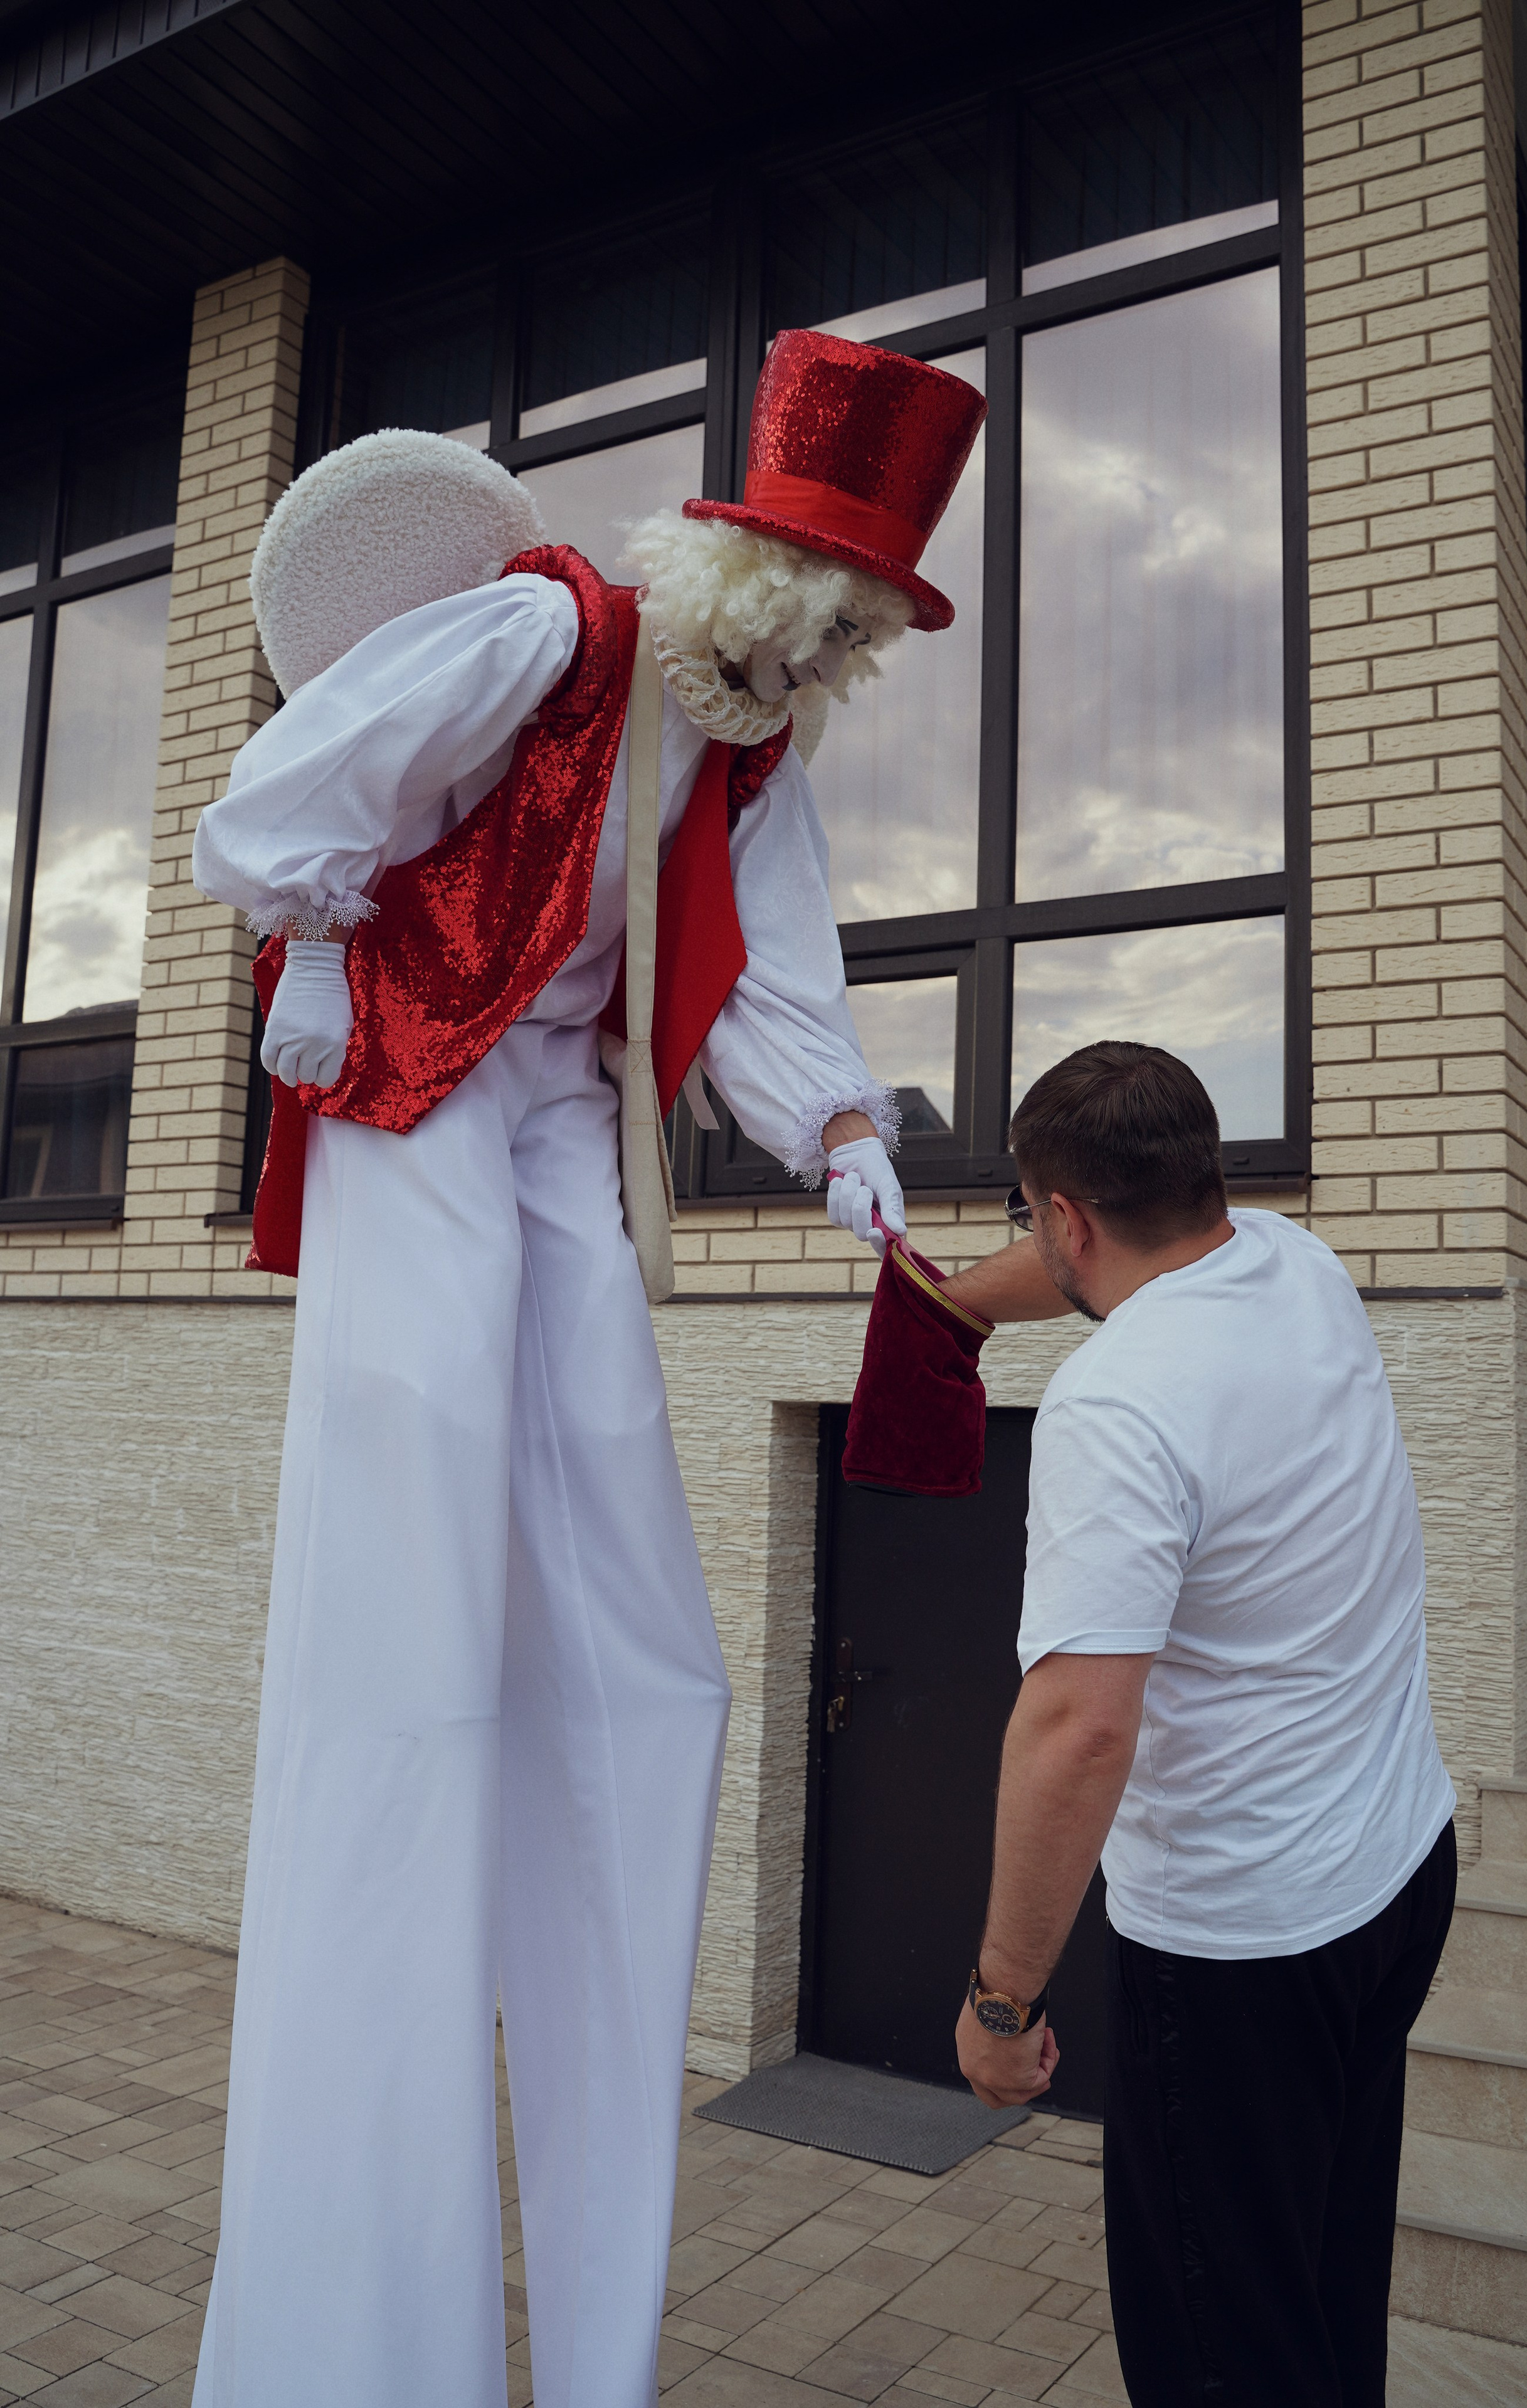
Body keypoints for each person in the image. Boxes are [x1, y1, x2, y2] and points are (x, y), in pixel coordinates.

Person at [187, 331, 984, 2408]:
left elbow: (769, 979)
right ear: (747, 567)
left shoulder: (749, 745)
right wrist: (322, 949)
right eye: (825, 612)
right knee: (420, 1567)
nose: (825, 661)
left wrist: (842, 1133)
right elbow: (299, 783)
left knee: (640, 1619)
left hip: (560, 1111)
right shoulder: (550, 629)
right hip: (417, 1087)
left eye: (857, 637)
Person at [939, 1041, 1457, 2408]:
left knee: (1223, 2354)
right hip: (1397, 1874)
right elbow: (1101, 1259)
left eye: (1029, 1216)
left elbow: (1077, 1730)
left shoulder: (1112, 1406)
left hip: (1245, 1951)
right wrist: (952, 1304)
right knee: (1320, 2287)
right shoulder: (1294, 1260)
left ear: (1064, 1217)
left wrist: (1002, 2002)